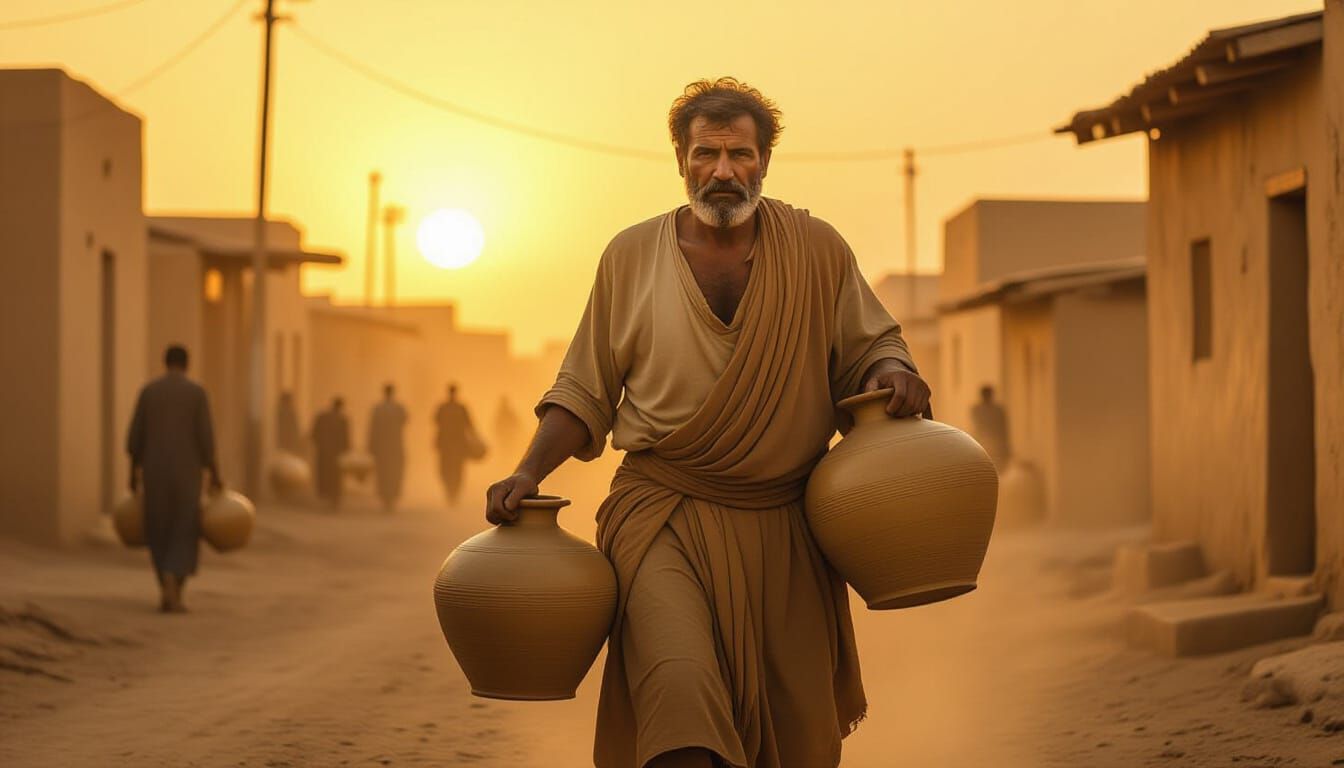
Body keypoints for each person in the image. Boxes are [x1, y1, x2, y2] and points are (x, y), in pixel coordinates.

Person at [484, 78, 931, 768]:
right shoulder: (629, 257)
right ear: (681, 161)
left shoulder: (818, 250)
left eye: (740, 155)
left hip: (786, 526)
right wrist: (525, 470)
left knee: (794, 737)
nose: (723, 171)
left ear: (765, 162)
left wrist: (892, 374)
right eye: (707, 154)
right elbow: (583, 388)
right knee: (679, 698)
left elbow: (870, 349)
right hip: (662, 517)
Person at [126, 345, 222, 613]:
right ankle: (174, 584)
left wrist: (132, 475)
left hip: (154, 473)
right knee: (184, 527)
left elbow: (135, 438)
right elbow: (206, 439)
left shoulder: (149, 392)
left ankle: (164, 586)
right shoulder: (196, 393)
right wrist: (215, 474)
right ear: (187, 364)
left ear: (165, 362)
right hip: (186, 474)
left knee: (158, 527)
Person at [434, 383, 480, 506]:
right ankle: (451, 493)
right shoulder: (458, 408)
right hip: (453, 444)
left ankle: (452, 494)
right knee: (452, 470)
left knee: (450, 470)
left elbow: (436, 422)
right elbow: (470, 425)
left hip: (452, 444)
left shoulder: (445, 407)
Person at [367, 383, 408, 511]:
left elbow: (372, 428)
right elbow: (405, 421)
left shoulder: (378, 408)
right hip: (393, 445)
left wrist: (371, 445)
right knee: (392, 472)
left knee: (385, 473)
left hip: (384, 446)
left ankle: (387, 499)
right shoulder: (399, 408)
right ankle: (389, 499)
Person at [311, 397, 350, 509]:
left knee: (325, 475)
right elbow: (346, 439)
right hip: (336, 454)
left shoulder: (322, 417)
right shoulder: (343, 419)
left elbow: (314, 434)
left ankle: (326, 497)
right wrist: (345, 451)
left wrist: (319, 445)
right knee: (336, 477)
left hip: (323, 453)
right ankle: (334, 499)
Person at [970, 384, 1011, 469]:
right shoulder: (977, 409)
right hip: (984, 444)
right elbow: (976, 427)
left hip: (995, 445)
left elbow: (1003, 429)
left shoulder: (997, 410)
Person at [493, 395, 522, 459]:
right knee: (505, 451)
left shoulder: (508, 413)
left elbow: (516, 424)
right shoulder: (501, 414)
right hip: (504, 437)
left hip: (509, 437)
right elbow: (496, 425)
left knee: (508, 451)